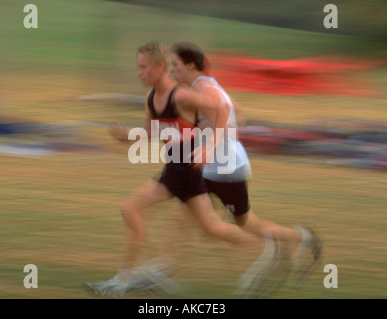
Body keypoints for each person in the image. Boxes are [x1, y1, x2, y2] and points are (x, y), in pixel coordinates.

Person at [86, 41, 279, 298]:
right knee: (212, 228)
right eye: (138, 68)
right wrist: (125, 137)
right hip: (174, 172)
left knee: (132, 208)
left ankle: (123, 281)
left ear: (158, 67)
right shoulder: (151, 98)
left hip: (188, 173)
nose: (139, 73)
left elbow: (221, 109)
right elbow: (152, 130)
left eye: (143, 67)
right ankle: (269, 249)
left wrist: (209, 146)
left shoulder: (181, 95)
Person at [168, 42, 323, 296]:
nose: (172, 70)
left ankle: (290, 245)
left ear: (190, 65)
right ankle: (168, 271)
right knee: (197, 218)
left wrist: (211, 145)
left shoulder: (205, 88)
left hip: (224, 168)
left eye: (175, 65)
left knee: (242, 225)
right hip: (217, 164)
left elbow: (226, 109)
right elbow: (234, 109)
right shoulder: (205, 85)